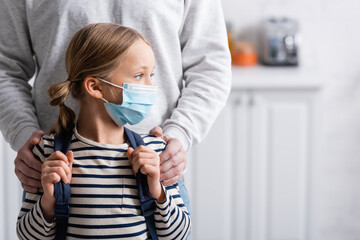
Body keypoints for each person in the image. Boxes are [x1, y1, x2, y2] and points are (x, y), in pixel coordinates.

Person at [0, 0, 231, 220]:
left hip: (156, 172)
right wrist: (22, 133)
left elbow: (210, 66)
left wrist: (181, 132)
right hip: (57, 175)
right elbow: (5, 68)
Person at [17, 23, 191, 239]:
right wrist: (48, 201)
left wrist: (158, 191)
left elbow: (179, 235)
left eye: (151, 75)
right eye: (139, 76)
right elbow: (26, 236)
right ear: (96, 87)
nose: (150, 87)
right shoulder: (49, 153)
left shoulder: (155, 153)